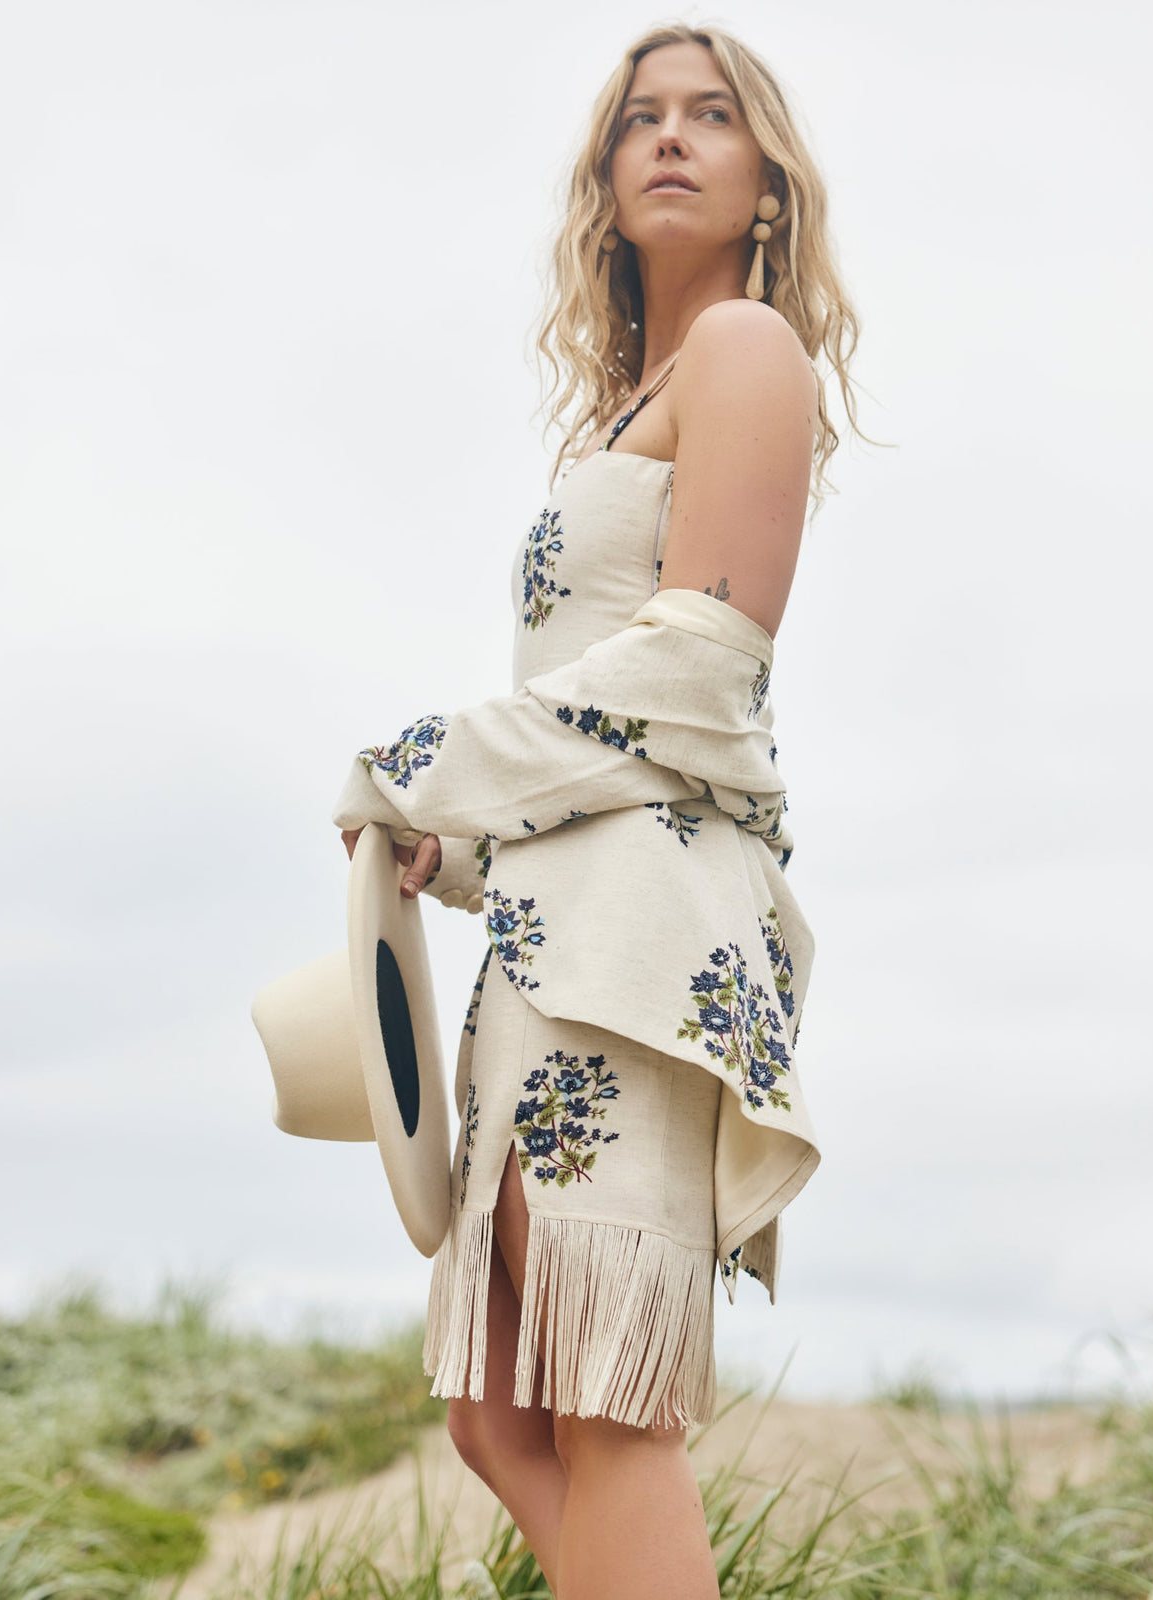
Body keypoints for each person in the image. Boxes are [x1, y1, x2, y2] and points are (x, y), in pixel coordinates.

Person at [337, 21, 866, 1600]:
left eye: (715, 115)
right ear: (604, 174)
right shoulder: (619, 413)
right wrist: (460, 848)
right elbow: (600, 723)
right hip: (545, 942)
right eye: (643, 116)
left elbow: (696, 672)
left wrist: (409, 764)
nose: (674, 136)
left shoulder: (747, 354)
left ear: (767, 178)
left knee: (607, 1415)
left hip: (641, 954)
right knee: (501, 1423)